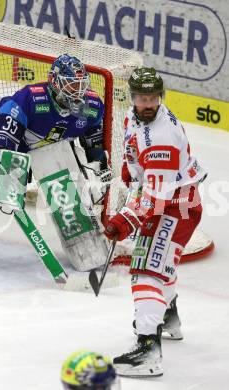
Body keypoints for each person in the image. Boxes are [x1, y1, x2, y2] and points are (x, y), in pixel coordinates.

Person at [104, 67, 207, 377]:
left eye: (152, 98)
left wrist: (123, 221)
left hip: (175, 207)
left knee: (147, 269)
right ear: (133, 98)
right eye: (141, 98)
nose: (147, 104)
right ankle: (169, 317)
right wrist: (130, 168)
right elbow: (134, 146)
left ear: (161, 98)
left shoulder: (163, 136)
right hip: (172, 202)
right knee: (159, 263)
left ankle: (148, 349)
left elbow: (155, 198)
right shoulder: (134, 116)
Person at [0, 53, 106, 179]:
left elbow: (96, 146)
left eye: (82, 85)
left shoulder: (93, 107)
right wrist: (6, 175)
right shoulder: (31, 98)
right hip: (7, 147)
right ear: (55, 81)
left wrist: (100, 171)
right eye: (72, 85)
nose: (78, 92)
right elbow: (1, 136)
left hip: (46, 153)